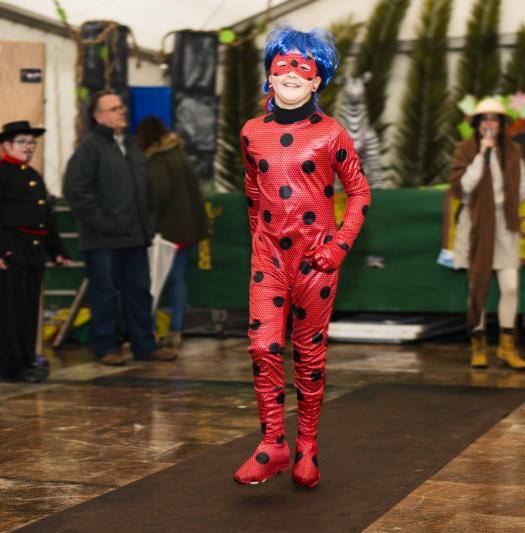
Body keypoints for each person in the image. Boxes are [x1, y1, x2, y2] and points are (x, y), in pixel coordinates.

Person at [233, 28, 371, 488]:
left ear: (317, 81)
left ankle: (307, 447)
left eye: (303, 67)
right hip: (269, 259)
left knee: (310, 355)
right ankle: (273, 444)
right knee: (262, 347)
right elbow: (253, 191)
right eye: (283, 65)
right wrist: (260, 241)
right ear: (269, 77)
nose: (291, 73)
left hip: (317, 261)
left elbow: (359, 191)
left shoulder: (331, 133)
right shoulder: (251, 132)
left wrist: (339, 246)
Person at [64, 92, 175, 365]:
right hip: (103, 240)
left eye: (121, 107)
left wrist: (148, 221)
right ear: (98, 117)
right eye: (113, 109)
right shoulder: (89, 148)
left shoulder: (131, 145)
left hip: (135, 236)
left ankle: (144, 346)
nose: (121, 112)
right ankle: (106, 347)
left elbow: (147, 187)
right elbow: (76, 191)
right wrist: (105, 223)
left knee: (139, 293)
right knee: (105, 294)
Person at [0, 121, 69, 383]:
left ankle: (27, 359)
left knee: (29, 308)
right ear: (7, 145)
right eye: (22, 142)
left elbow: (46, 216)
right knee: (12, 310)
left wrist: (56, 249)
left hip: (34, 249)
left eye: (32, 143)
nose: (28, 147)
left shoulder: (33, 175)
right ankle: (12, 366)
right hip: (13, 248)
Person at [450, 98, 525, 371]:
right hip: (474, 222)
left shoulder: (514, 151)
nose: (489, 124)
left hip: (504, 222)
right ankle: (478, 346)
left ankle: (507, 347)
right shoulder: (465, 150)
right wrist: (482, 155)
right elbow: (463, 189)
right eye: (484, 119)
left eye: (495, 119)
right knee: (477, 285)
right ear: (476, 124)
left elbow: (521, 191)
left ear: (502, 124)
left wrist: (505, 208)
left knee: (511, 286)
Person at [136, 116, 209, 354]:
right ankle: (176, 330)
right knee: (178, 279)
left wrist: (147, 220)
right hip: (187, 229)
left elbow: (158, 195)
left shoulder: (158, 159)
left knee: (153, 281)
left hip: (166, 232)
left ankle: (150, 330)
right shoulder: (179, 154)